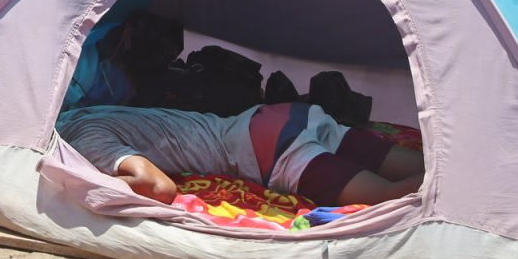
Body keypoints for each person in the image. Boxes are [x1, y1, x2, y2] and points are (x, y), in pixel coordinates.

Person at [58, 102, 424, 208]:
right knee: (427, 168)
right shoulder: (84, 111)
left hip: (266, 149)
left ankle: (471, 191)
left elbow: (158, 187)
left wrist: (72, 182)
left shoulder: (83, 135)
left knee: (387, 198)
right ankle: (475, 173)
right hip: (283, 116)